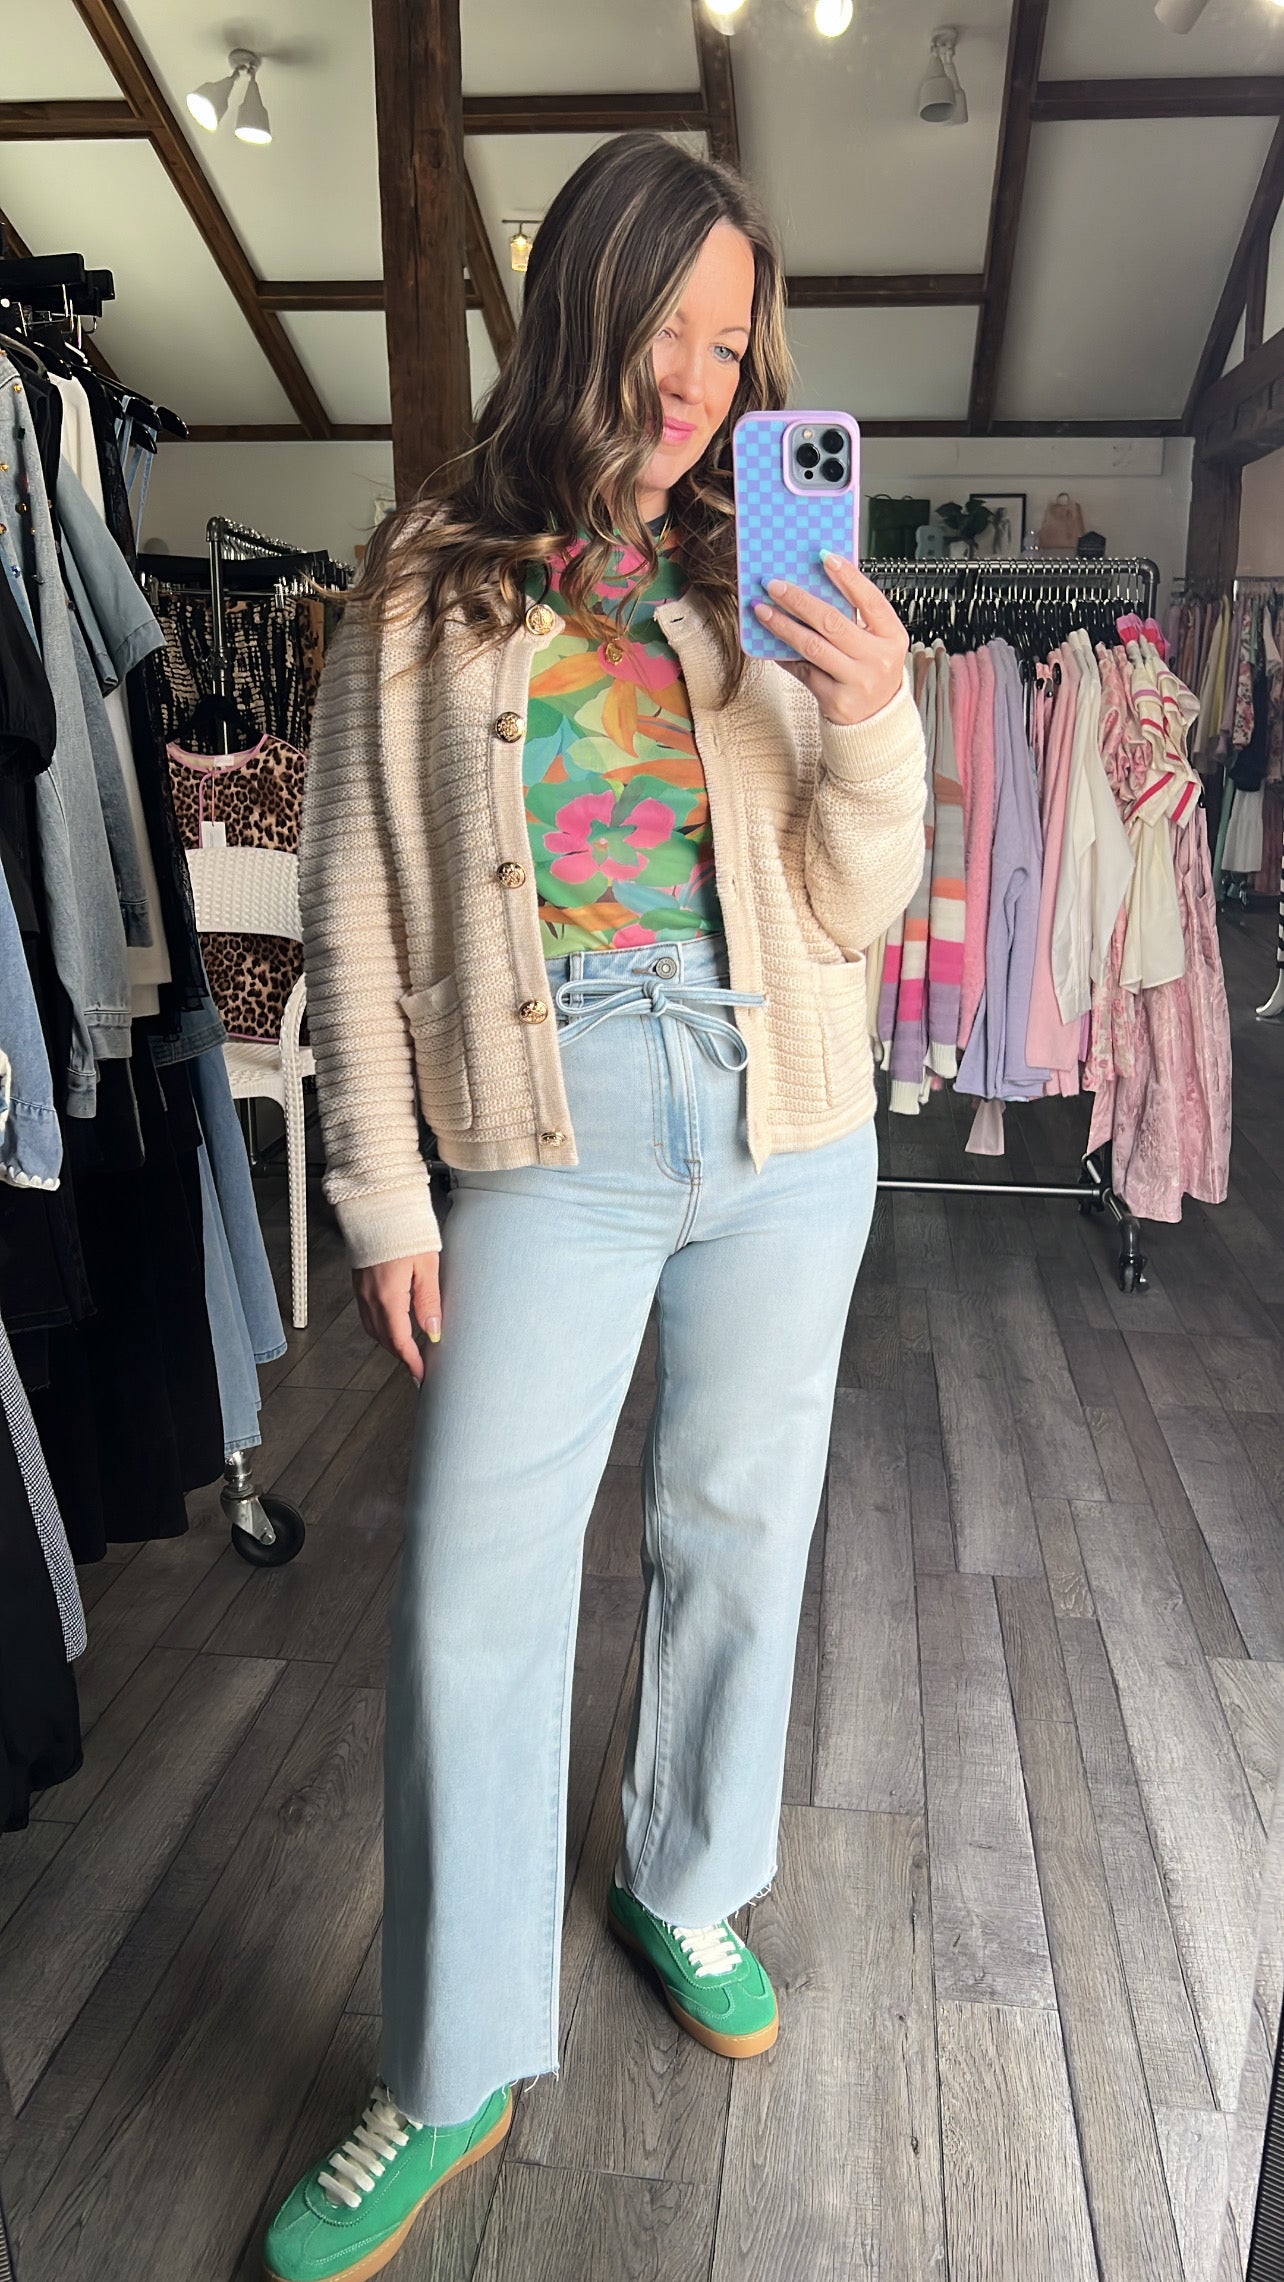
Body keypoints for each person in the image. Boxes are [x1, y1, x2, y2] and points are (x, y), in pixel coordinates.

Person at [264, 129, 926, 2282]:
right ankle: (449, 2063)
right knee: (473, 1586)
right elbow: (353, 901)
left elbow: (860, 896)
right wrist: (383, 1196)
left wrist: (878, 721)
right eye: (668, 330)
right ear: (584, 310)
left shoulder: (766, 566)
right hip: (552, 1125)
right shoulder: (423, 575)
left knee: (742, 1523)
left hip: (791, 1110)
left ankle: (684, 1875)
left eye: (733, 346)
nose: (697, 384)